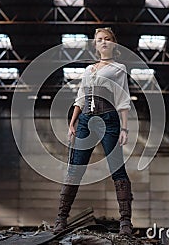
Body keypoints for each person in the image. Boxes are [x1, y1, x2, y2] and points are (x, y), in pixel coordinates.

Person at [53, 27, 133, 236]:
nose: (104, 42)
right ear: (95, 45)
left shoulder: (119, 68)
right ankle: (61, 219)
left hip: (109, 119)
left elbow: (123, 99)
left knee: (117, 168)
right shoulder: (89, 70)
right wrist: (73, 122)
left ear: (113, 43)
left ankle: (125, 222)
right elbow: (80, 97)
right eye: (99, 40)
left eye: (107, 39)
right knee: (75, 169)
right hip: (85, 121)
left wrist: (124, 127)